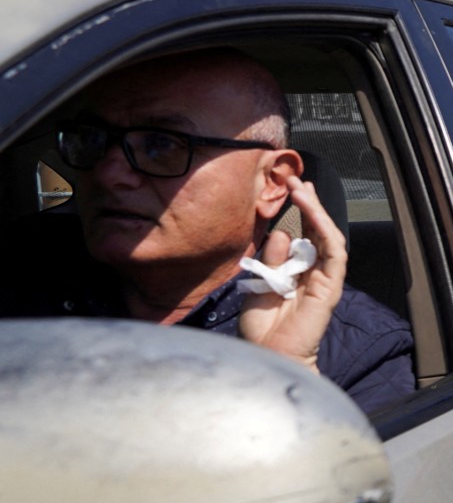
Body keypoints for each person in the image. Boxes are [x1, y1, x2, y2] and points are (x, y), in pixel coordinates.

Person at [2, 47, 414, 413]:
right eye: (91, 139)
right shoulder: (22, 274)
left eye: (162, 145)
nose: (108, 172)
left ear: (271, 182)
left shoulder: (356, 350)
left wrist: (283, 383)